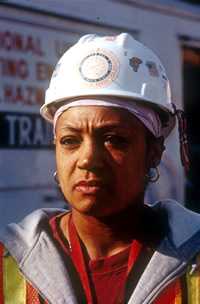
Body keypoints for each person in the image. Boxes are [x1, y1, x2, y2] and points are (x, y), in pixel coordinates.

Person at [0, 33, 200, 304]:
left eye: (114, 139)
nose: (88, 160)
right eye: (70, 141)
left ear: (154, 152)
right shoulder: (8, 260)